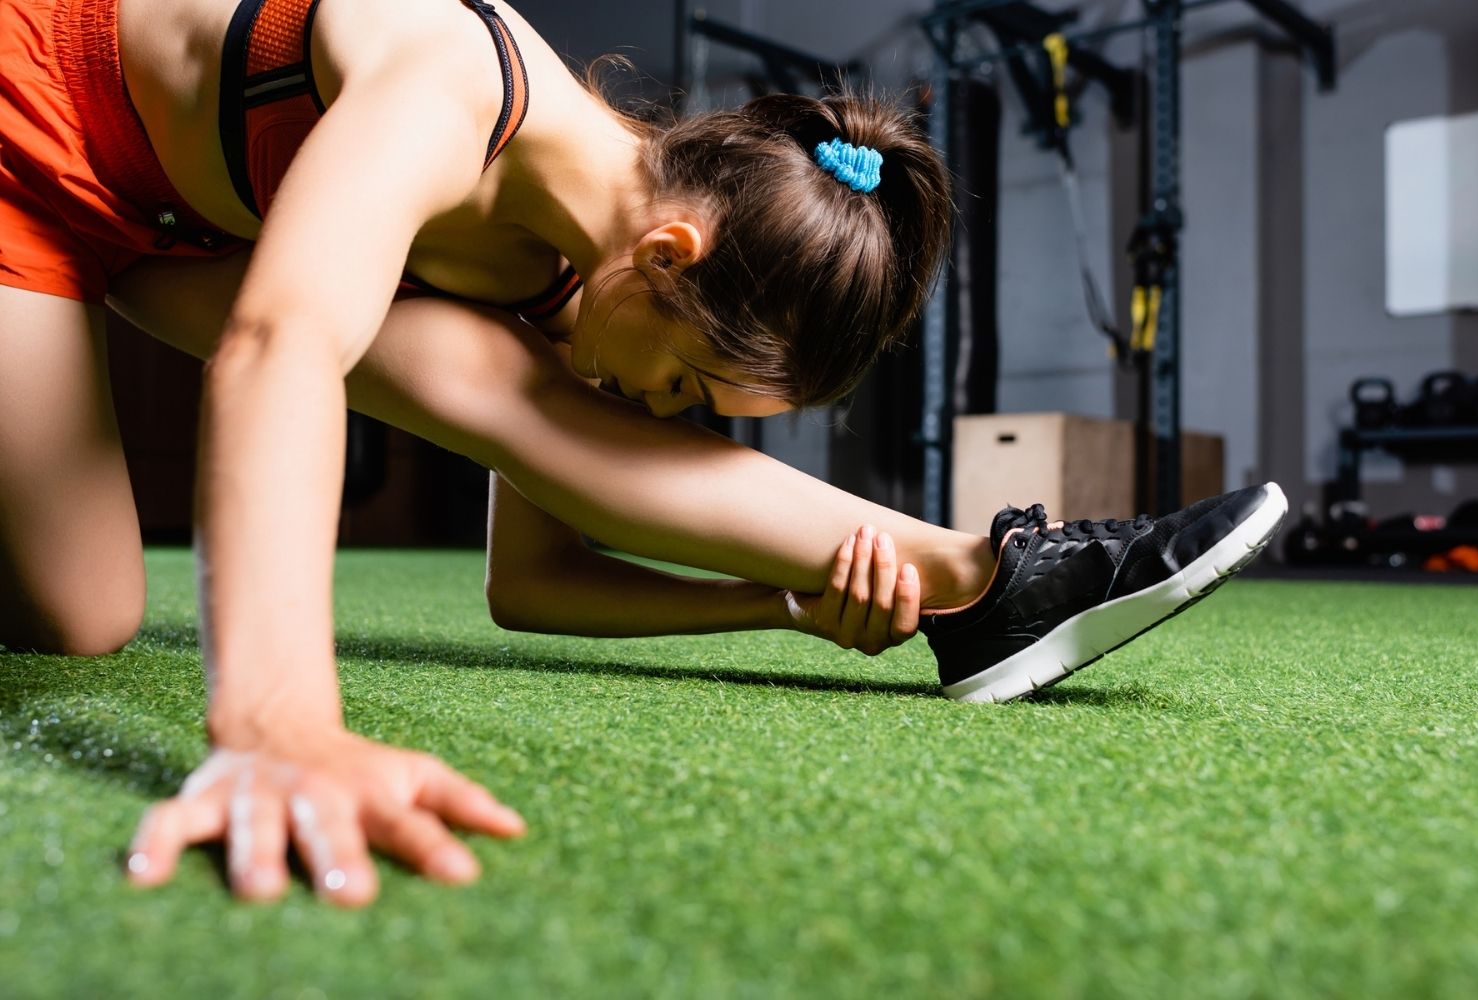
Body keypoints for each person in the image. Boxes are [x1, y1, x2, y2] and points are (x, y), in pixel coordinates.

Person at [0, 0, 1288, 907]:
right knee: (93, 608)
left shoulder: (583, 276)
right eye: (690, 383)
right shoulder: (448, 76)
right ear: (666, 258)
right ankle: (989, 581)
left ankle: (979, 589)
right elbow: (280, 349)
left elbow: (531, 588)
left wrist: (782, 603)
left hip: (162, 228)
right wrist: (279, 723)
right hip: (30, 112)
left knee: (95, 610)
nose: (663, 410)